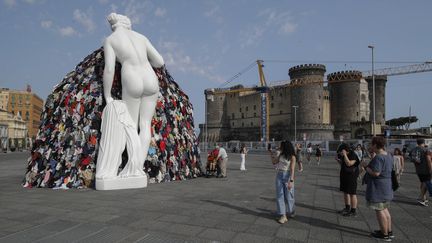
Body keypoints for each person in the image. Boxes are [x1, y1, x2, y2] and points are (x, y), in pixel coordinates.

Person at [362, 137, 394, 241]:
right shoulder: (388, 155)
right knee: (385, 209)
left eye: (372, 144)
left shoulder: (379, 157)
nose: (371, 146)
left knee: (379, 210)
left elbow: (376, 173)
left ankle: (384, 234)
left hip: (378, 187)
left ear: (375, 145)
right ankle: (388, 231)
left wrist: (366, 167)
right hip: (386, 186)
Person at [271, 140, 296, 224]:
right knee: (279, 195)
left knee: (289, 195)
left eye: (282, 146)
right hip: (279, 174)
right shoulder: (281, 154)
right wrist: (272, 155)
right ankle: (283, 215)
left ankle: (291, 210)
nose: (280, 147)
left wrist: (291, 181)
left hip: (287, 175)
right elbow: (274, 162)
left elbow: (292, 169)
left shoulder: (292, 156)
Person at [336, 143, 360, 217]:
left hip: (351, 176)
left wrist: (345, 155)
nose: (340, 153)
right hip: (344, 175)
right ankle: (347, 207)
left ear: (344, 150)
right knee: (345, 192)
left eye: (341, 152)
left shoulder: (353, 155)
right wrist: (338, 160)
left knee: (352, 193)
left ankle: (353, 211)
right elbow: (344, 164)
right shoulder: (344, 155)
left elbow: (349, 164)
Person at [410, 138, 432, 206]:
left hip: (418, 170)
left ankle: (423, 198)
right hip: (426, 169)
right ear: (424, 142)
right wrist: (431, 169)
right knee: (426, 182)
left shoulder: (413, 150)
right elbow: (428, 160)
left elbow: (413, 160)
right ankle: (421, 198)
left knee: (423, 182)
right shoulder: (426, 150)